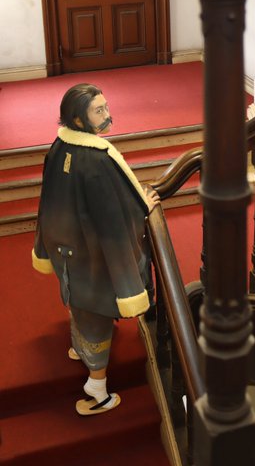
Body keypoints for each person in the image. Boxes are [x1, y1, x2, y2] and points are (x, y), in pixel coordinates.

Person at [32, 83, 160, 415]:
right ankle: (97, 388)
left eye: (106, 107)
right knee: (96, 317)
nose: (107, 115)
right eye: (98, 111)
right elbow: (114, 215)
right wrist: (142, 206)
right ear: (78, 119)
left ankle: (79, 347)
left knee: (78, 302)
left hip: (65, 248)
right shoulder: (97, 160)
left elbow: (47, 200)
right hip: (91, 255)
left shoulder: (59, 145)